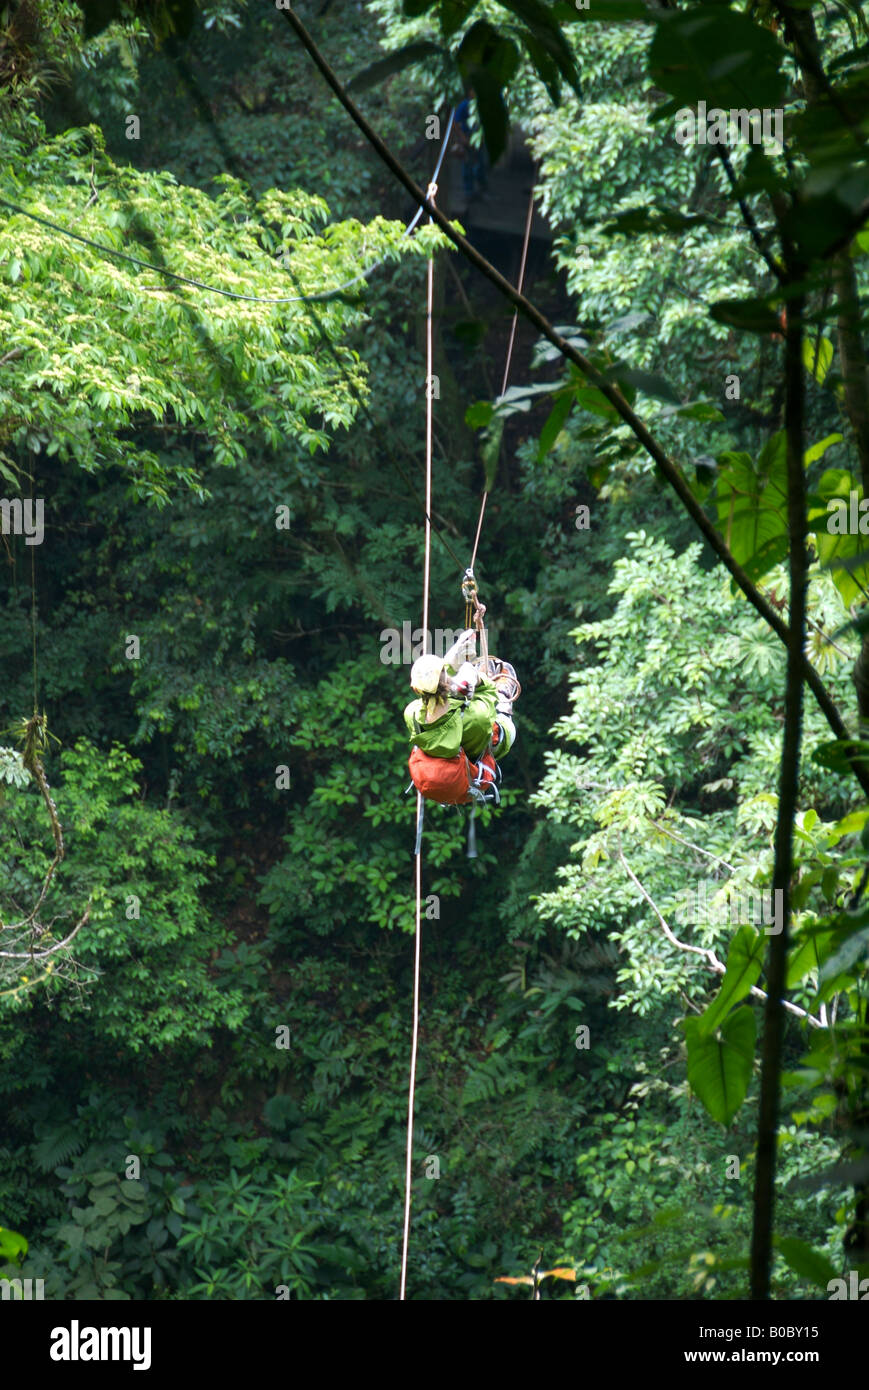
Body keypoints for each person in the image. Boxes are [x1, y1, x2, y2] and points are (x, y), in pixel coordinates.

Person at [404, 630, 518, 806]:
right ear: (447, 680)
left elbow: (434, 688)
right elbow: (489, 693)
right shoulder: (474, 716)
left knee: (477, 721)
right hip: (475, 757)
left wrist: (452, 660)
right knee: (502, 724)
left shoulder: (412, 714)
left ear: (416, 690)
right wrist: (474, 677)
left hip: (447, 766)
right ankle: (505, 700)